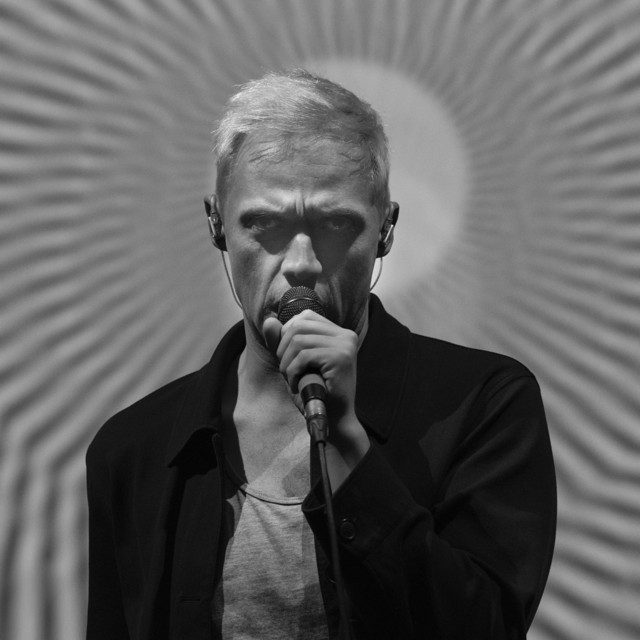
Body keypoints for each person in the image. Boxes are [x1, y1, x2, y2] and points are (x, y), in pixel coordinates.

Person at [86, 69, 556, 640]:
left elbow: (488, 626)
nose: (302, 262)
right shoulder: (135, 449)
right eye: (265, 224)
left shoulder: (483, 406)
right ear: (217, 225)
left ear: (386, 230)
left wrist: (347, 440)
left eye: (335, 223)